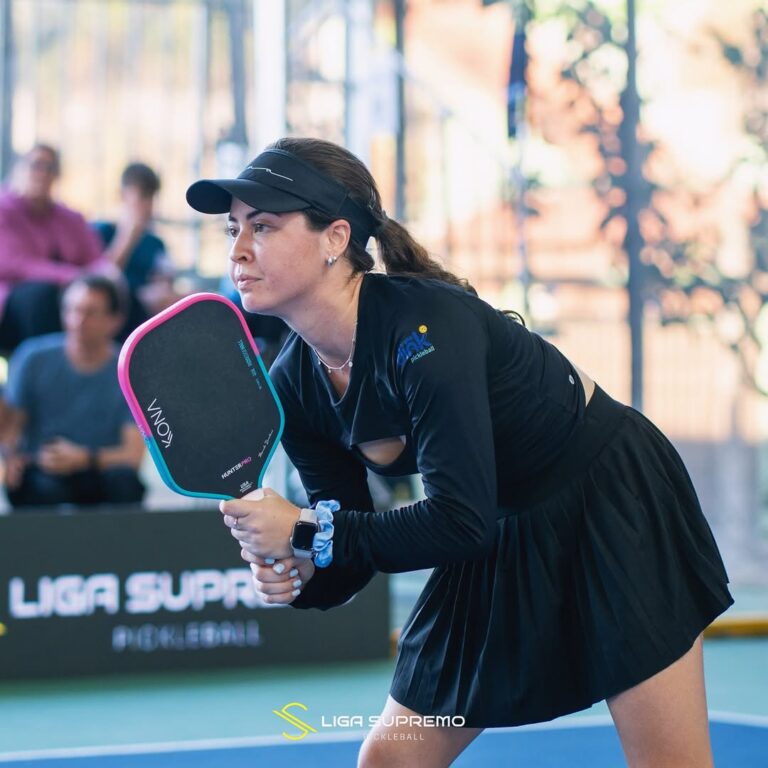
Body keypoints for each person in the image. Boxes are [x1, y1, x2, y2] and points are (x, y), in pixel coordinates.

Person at [185, 138, 733, 768]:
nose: (238, 251)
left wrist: (309, 529)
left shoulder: (427, 332)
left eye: (263, 226)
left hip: (608, 496)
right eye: (233, 229)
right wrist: (304, 565)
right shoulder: (293, 384)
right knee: (390, 760)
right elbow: (351, 543)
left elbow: (453, 522)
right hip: (490, 519)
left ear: (335, 238)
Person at [1, 275, 145, 509]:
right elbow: (11, 430)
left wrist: (83, 458)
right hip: (44, 472)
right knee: (32, 487)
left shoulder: (129, 370)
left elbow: (132, 456)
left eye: (90, 313)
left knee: (125, 482)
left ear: (114, 321)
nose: (78, 321)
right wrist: (11, 456)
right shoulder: (32, 358)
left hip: (98, 472)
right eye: (72, 310)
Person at [0, 144, 106, 352]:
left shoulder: (71, 219)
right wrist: (70, 275)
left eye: (50, 168)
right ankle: (41, 372)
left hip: (67, 299)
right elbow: (11, 263)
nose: (42, 174)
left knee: (113, 299)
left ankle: (117, 376)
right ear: (19, 168)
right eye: (36, 165)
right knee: (41, 297)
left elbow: (96, 262)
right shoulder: (4, 210)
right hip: (14, 306)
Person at [92, 162, 180, 339]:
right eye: (143, 196)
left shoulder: (156, 243)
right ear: (122, 195)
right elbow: (101, 278)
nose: (148, 205)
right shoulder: (101, 231)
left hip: (145, 315)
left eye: (152, 197)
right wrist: (129, 236)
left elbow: (165, 284)